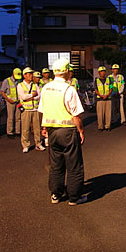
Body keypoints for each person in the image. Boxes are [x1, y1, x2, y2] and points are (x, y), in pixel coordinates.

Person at [38, 58, 87, 206]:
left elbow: (42, 110)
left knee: (56, 165)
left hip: (52, 131)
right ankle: (74, 197)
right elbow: (75, 114)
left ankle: (56, 194)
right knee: (74, 165)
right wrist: (81, 131)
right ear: (66, 71)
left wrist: (44, 128)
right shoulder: (69, 89)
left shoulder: (46, 88)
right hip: (68, 132)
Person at [17, 67, 45, 153]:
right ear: (24, 75)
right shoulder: (20, 85)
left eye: (31, 74)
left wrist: (29, 97)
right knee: (25, 128)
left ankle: (38, 143)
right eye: (29, 74)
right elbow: (23, 97)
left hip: (35, 109)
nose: (31, 75)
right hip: (26, 109)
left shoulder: (35, 85)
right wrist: (32, 95)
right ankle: (25, 145)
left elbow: (39, 95)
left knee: (37, 128)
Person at [0, 68, 22, 139]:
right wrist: (7, 99)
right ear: (13, 74)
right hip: (10, 102)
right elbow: (2, 91)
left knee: (18, 117)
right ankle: (10, 132)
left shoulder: (19, 81)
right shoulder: (7, 81)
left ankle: (17, 131)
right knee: (10, 117)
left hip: (18, 101)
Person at [94, 66, 113, 131]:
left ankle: (107, 126)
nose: (103, 73)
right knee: (100, 114)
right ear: (99, 73)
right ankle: (100, 127)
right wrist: (101, 95)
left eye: (104, 71)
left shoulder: (109, 79)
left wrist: (107, 95)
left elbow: (111, 88)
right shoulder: (96, 80)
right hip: (100, 99)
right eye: (101, 71)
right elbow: (96, 90)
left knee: (108, 114)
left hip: (108, 98)